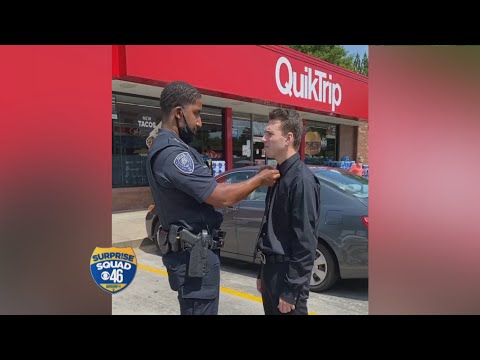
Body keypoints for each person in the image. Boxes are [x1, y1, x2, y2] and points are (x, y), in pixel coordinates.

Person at [146, 81, 280, 315]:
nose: (200, 122)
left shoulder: (170, 148)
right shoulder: (174, 155)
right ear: (178, 113)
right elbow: (221, 197)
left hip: (194, 258)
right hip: (194, 262)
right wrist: (258, 180)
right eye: (196, 113)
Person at [255, 108, 321, 315]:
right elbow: (271, 229)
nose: (264, 138)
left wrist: (291, 289)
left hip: (287, 277)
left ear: (288, 138)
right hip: (271, 272)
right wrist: (262, 273)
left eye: (269, 133)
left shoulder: (301, 180)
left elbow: (305, 241)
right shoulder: (276, 175)